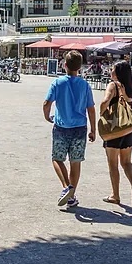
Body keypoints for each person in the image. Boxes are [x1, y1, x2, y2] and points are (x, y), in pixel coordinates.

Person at [42, 50, 96, 209]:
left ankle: (67, 187)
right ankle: (71, 195)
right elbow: (91, 108)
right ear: (80, 67)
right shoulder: (85, 85)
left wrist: (47, 116)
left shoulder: (58, 83)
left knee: (57, 159)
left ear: (64, 65)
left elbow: (47, 103)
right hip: (80, 128)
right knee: (76, 162)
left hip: (61, 127)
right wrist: (93, 129)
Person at [100, 60, 132, 207]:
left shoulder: (113, 85)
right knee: (126, 162)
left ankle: (115, 195)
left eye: (112, 69)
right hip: (128, 129)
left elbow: (105, 102)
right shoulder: (130, 88)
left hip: (114, 129)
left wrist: (102, 111)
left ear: (117, 72)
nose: (110, 71)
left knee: (113, 164)